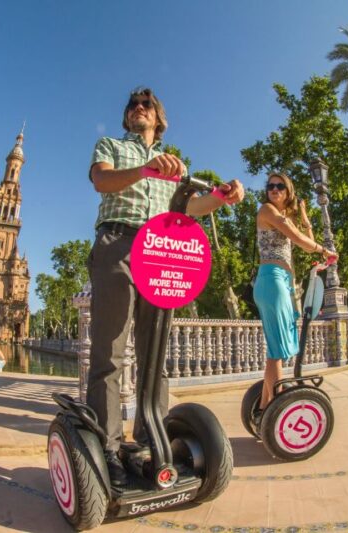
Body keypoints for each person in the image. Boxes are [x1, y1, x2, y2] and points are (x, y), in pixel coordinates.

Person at [87, 87, 245, 486]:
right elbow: (102, 181)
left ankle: (146, 441)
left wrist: (222, 197)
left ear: (159, 118)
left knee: (153, 353)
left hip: (160, 249)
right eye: (133, 106)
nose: (139, 109)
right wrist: (144, 170)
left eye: (147, 106)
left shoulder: (176, 164)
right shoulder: (111, 145)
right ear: (127, 118)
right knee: (110, 351)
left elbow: (191, 208)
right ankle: (106, 448)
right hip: (117, 242)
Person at [253, 173, 336, 424]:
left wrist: (305, 217)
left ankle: (265, 407)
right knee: (278, 350)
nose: (274, 189)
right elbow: (300, 241)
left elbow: (304, 237)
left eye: (280, 186)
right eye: (270, 186)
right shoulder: (267, 210)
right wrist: (325, 250)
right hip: (271, 280)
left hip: (282, 283)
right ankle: (276, 407)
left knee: (275, 351)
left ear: (288, 191)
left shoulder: (284, 217)